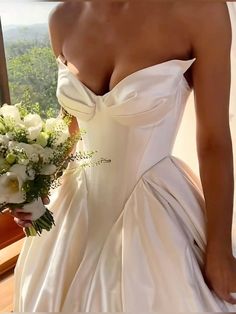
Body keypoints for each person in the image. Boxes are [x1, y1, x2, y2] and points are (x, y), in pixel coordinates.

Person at [12, 0, 236, 311]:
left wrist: (220, 248)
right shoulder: (62, 18)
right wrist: (32, 189)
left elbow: (213, 141)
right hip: (74, 213)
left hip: (154, 214)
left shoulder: (200, 11)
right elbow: (71, 128)